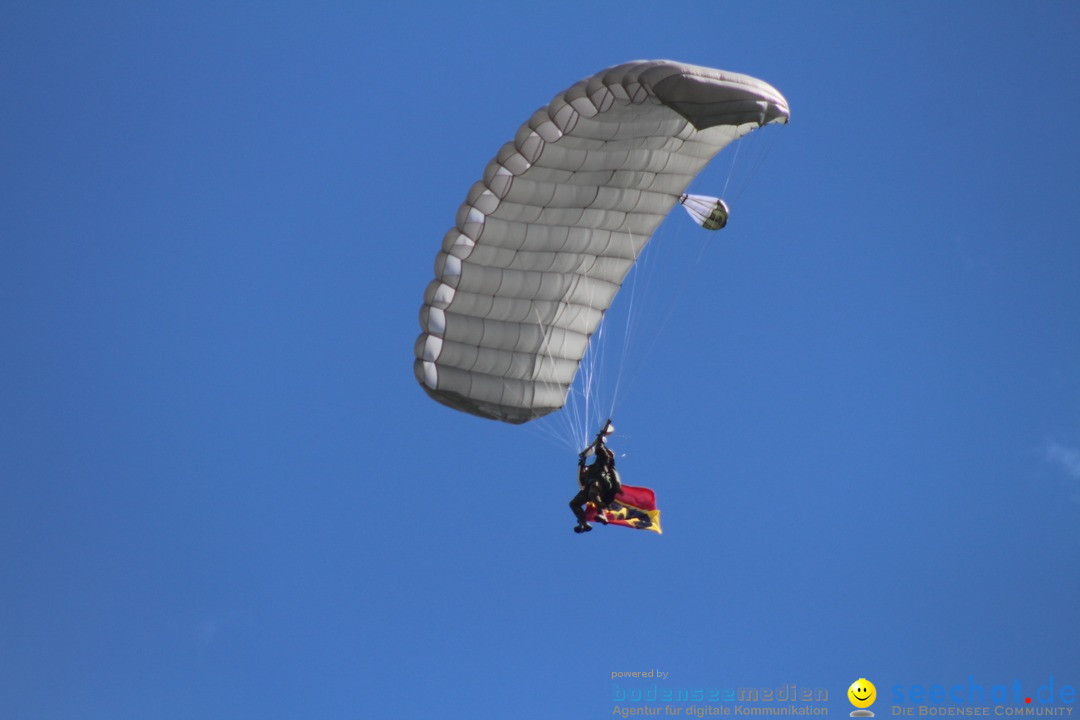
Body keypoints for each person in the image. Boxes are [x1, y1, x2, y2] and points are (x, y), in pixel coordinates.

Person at [570, 422, 621, 533]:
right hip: (590, 485)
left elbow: (600, 451)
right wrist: (582, 464)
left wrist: (600, 440)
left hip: (602, 482)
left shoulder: (606, 459)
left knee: (593, 492)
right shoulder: (593, 467)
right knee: (573, 503)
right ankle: (583, 523)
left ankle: (601, 513)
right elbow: (582, 480)